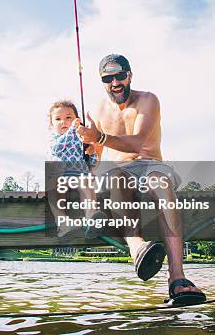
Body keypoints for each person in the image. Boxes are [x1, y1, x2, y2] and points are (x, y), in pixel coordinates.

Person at [74, 54, 206, 306]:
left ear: (130, 75)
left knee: (163, 186)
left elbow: (139, 140)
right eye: (107, 78)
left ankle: (177, 279)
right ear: (102, 81)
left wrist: (98, 137)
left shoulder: (148, 99)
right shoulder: (97, 110)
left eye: (120, 76)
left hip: (150, 165)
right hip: (117, 171)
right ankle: (137, 248)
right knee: (114, 178)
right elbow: (98, 155)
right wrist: (87, 149)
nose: (115, 82)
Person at [47, 100, 106, 239]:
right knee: (53, 189)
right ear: (51, 124)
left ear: (77, 120)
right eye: (58, 119)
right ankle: (62, 223)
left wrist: (91, 152)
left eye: (68, 118)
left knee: (87, 184)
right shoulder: (53, 138)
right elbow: (57, 149)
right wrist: (72, 131)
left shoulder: (81, 138)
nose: (63, 122)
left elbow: (90, 162)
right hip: (59, 175)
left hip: (78, 174)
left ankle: (92, 216)